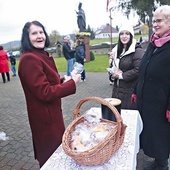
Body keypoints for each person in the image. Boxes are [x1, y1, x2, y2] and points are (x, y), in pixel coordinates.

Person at [18, 20, 81, 168]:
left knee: (58, 154)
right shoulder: (29, 59)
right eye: (34, 33)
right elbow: (44, 92)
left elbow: (44, 83)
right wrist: (72, 84)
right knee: (52, 158)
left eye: (41, 32)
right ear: (27, 38)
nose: (39, 36)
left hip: (51, 115)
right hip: (45, 120)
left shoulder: (38, 55)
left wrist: (62, 80)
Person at [131, 5, 170, 170]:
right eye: (154, 21)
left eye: (159, 21)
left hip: (162, 104)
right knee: (151, 134)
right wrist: (135, 90)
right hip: (148, 102)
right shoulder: (154, 42)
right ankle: (157, 161)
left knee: (161, 136)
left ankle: (162, 165)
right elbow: (144, 71)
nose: (155, 24)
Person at [109, 23, 144, 109]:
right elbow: (112, 67)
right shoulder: (117, 50)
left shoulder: (137, 51)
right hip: (117, 91)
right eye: (122, 34)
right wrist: (112, 75)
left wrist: (121, 76)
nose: (124, 36)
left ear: (131, 35)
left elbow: (138, 70)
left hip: (129, 93)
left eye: (127, 34)